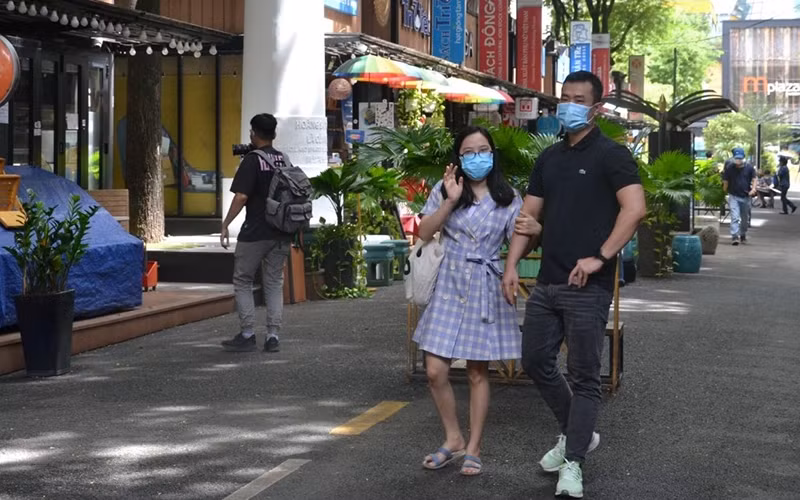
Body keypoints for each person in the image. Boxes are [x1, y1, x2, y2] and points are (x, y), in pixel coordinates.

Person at [503, 71, 646, 499]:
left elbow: (634, 209)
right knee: (534, 361)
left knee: (584, 377)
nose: (568, 104)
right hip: (547, 281)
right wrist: (512, 264)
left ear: (596, 107)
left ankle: (574, 462)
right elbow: (529, 219)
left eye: (578, 99)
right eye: (564, 97)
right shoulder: (549, 159)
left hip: (589, 284)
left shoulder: (612, 155)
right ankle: (577, 434)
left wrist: (600, 256)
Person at [414, 126, 534, 476]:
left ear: (492, 155)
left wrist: (515, 261)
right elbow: (424, 232)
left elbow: (519, 238)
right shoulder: (446, 189)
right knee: (435, 370)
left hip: (486, 284)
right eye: (469, 151)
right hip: (450, 282)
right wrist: (450, 200)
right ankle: (453, 438)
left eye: (483, 150)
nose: (477, 157)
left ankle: (474, 446)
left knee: (478, 371)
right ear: (460, 158)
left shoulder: (508, 196)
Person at [219, 113, 292, 353]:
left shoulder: (252, 160)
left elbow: (241, 196)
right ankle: (273, 336)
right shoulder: (284, 159)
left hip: (255, 231)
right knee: (273, 283)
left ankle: (248, 333)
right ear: (274, 134)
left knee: (242, 279)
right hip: (281, 232)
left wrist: (226, 223)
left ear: (253, 133)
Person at [722, 147, 757, 245]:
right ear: (733, 158)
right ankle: (734, 236)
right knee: (735, 217)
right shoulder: (729, 168)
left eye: (740, 158)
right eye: (736, 158)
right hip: (733, 196)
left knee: (744, 218)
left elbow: (754, 179)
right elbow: (725, 180)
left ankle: (743, 234)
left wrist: (753, 189)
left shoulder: (749, 168)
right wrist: (724, 191)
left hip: (746, 196)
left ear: (744, 158)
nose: (738, 160)